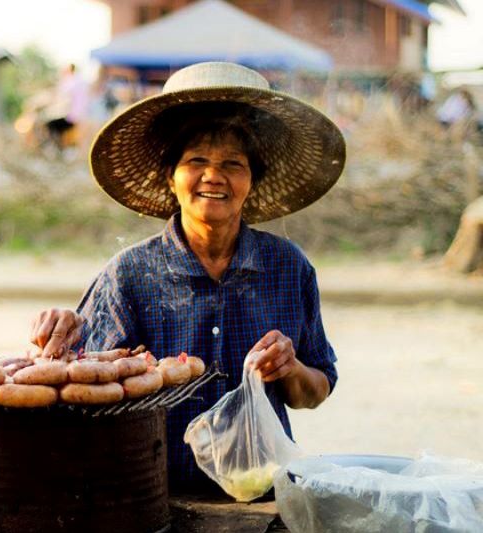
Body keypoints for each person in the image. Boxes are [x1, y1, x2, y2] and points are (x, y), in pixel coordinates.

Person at [29, 62, 346, 491]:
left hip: (262, 495)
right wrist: (62, 335)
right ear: (171, 177)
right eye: (196, 160)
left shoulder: (288, 267)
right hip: (151, 493)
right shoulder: (129, 274)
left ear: (252, 179)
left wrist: (289, 368)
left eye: (233, 163)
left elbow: (315, 391)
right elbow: (78, 389)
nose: (213, 176)